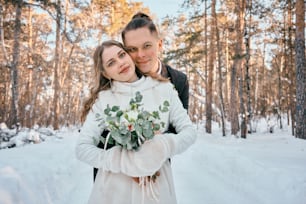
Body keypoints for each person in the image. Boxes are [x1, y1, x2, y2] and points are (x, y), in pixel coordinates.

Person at [76, 40, 196, 204]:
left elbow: (189, 132)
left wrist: (163, 146)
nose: (121, 63)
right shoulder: (104, 100)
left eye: (121, 55)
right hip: (115, 189)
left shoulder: (164, 89)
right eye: (111, 63)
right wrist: (121, 160)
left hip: (156, 186)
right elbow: (82, 148)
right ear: (105, 73)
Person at [93, 12, 190, 181]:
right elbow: (101, 137)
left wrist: (152, 154)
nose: (140, 55)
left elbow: (178, 131)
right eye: (132, 49)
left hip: (156, 169)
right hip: (117, 172)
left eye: (147, 45)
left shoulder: (179, 81)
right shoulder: (116, 77)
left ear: (159, 44)